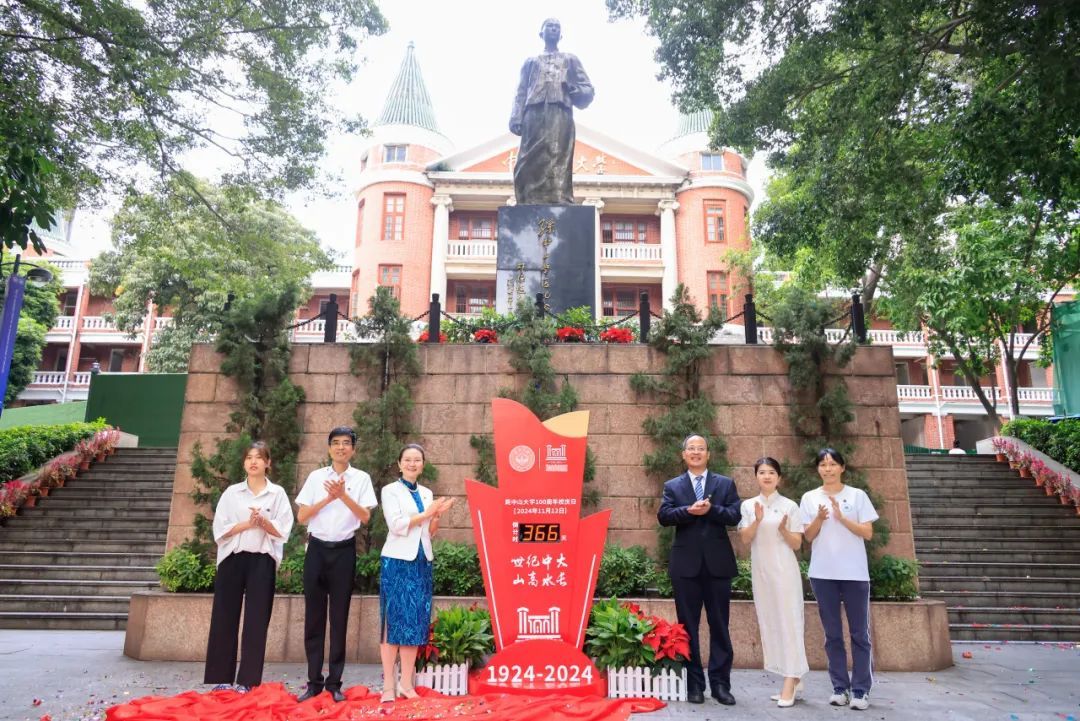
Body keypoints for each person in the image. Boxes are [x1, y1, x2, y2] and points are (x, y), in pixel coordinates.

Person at [657, 434, 741, 706]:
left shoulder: (724, 484)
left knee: (720, 626)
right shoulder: (673, 485)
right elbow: (664, 516)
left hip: (718, 565)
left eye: (700, 449)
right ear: (683, 455)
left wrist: (711, 510)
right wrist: (687, 511)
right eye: (691, 449)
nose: (695, 453)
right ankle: (695, 685)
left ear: (708, 454)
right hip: (686, 567)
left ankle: (720, 685)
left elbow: (735, 515)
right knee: (688, 628)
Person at [295, 427, 377, 703]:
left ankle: (334, 684)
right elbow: (302, 515)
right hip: (316, 550)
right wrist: (329, 497)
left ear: (353, 449)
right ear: (329, 448)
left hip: (344, 551)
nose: (341, 447)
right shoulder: (316, 477)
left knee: (339, 618)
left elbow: (365, 517)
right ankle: (313, 682)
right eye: (336, 443)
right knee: (314, 619)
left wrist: (343, 496)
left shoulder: (361, 478)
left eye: (346, 443)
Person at [203, 442, 294, 693]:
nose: (253, 462)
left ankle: (247, 680)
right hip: (232, 558)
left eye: (259, 458)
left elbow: (283, 531)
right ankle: (221, 678)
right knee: (224, 617)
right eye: (249, 458)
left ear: (268, 463)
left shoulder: (277, 494)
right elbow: (220, 530)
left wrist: (263, 522)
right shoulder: (232, 493)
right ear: (244, 463)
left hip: (262, 560)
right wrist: (248, 524)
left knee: (256, 621)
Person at [800, 448, 879, 711]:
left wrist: (842, 518)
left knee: (860, 634)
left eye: (833, 464)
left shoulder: (857, 496)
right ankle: (839, 688)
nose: (828, 469)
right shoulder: (810, 498)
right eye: (823, 464)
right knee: (832, 634)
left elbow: (867, 533)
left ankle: (860, 690)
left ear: (842, 467)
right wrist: (820, 519)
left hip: (855, 574)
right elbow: (808, 537)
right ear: (818, 469)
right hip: (823, 574)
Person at [378, 444, 455, 703]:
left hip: (422, 561)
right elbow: (397, 525)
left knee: (414, 623)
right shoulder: (390, 490)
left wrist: (436, 517)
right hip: (397, 561)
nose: (412, 464)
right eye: (407, 460)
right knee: (393, 623)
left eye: (417, 460)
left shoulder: (426, 492)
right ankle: (388, 685)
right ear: (399, 464)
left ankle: (406, 684)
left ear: (423, 465)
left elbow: (428, 531)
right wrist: (427, 513)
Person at [737, 457, 808, 708]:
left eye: (771, 473)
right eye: (762, 472)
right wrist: (757, 520)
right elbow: (745, 540)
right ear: (755, 476)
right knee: (772, 622)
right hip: (762, 572)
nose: (766, 477)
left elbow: (797, 544)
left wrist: (783, 530)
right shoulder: (748, 505)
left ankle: (791, 679)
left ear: (779, 477)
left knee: (790, 622)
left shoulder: (790, 506)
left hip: (785, 572)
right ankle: (794, 674)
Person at [509, 18, 594, 205]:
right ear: (541, 33)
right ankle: (527, 198)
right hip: (533, 112)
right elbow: (521, 91)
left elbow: (587, 88)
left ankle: (559, 198)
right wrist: (516, 116)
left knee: (557, 155)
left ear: (561, 34)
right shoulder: (530, 62)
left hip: (560, 111)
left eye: (557, 27)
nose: (554, 29)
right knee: (527, 158)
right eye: (550, 26)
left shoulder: (570, 60)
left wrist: (575, 91)